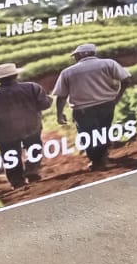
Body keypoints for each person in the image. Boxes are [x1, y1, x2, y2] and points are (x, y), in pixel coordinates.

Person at [51, 43, 131, 171]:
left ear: (79, 55)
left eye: (75, 56)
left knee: (88, 135)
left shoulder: (67, 72)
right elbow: (126, 80)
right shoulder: (109, 63)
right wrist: (117, 97)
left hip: (83, 109)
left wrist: (59, 115)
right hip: (107, 104)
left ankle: (97, 161)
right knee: (104, 130)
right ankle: (103, 156)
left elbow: (61, 96)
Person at [0, 63, 50, 188]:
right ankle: (32, 171)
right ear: (15, 75)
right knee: (34, 148)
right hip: (31, 127)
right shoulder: (32, 87)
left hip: (5, 134)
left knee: (10, 155)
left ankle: (17, 181)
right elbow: (45, 104)